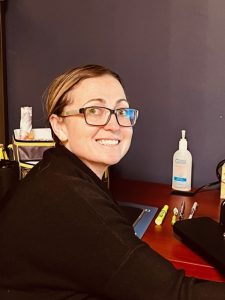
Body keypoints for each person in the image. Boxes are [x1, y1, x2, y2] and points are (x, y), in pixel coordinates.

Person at [0, 64, 224, 300]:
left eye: (122, 111)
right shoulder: (69, 198)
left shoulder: (57, 170)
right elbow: (175, 294)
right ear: (59, 125)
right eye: (94, 111)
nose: (114, 124)